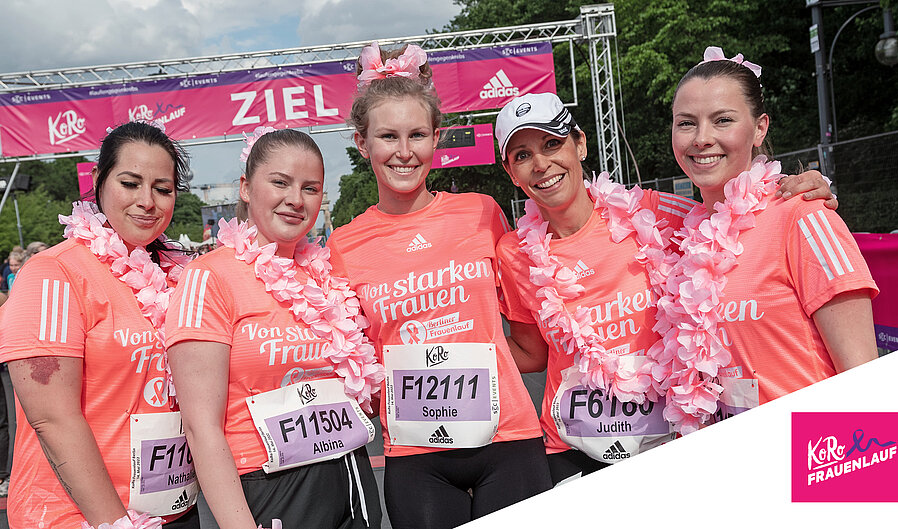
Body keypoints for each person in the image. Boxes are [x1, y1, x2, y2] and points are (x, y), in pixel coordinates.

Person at [493, 92, 840, 484]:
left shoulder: (648, 213)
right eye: (521, 156)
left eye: (552, 144)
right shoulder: (513, 252)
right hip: (572, 449)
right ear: (510, 172)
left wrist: (795, 188)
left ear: (581, 143)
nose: (541, 164)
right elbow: (531, 352)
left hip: (669, 441)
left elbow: (733, 212)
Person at [326, 43, 551, 528]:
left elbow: (527, 330)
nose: (404, 152)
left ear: (437, 138)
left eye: (417, 135)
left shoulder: (482, 212)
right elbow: (355, 360)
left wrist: (478, 354)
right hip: (415, 452)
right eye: (388, 136)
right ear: (362, 143)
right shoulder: (343, 245)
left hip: (508, 437)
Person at [166, 128, 384, 528]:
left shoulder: (326, 275)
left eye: (310, 188)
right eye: (280, 182)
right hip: (266, 483)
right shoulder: (208, 277)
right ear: (247, 188)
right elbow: (201, 428)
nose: (295, 200)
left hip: (349, 472)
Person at [653, 46, 878, 433]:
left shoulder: (803, 214)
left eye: (722, 120)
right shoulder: (683, 238)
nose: (701, 138)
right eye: (686, 123)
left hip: (812, 463)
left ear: (760, 129)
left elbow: (868, 385)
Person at [0, 121, 199, 528]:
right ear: (98, 181)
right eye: (130, 183)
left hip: (174, 510)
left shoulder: (180, 277)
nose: (147, 201)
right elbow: (52, 418)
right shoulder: (52, 273)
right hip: (79, 518)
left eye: (163, 189)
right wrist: (116, 524)